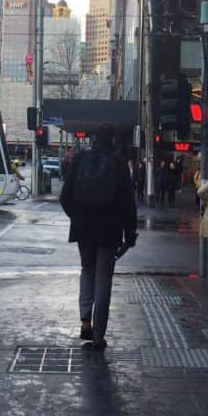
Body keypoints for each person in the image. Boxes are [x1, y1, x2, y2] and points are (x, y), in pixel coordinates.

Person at [60, 123, 137, 350]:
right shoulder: (118, 163)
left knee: (87, 270)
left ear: (93, 139)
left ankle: (85, 318)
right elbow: (127, 204)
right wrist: (129, 236)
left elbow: (65, 197)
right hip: (109, 230)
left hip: (83, 228)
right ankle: (99, 335)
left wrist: (77, 217)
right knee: (104, 279)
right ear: (112, 140)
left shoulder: (80, 160)